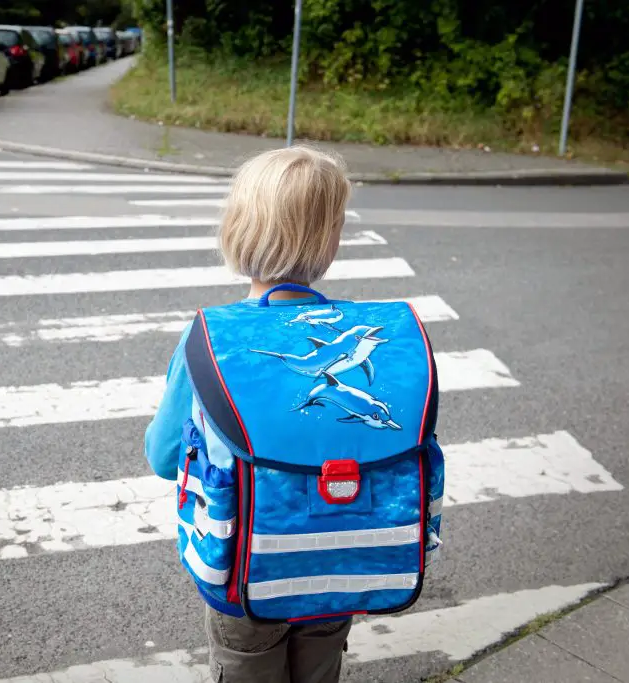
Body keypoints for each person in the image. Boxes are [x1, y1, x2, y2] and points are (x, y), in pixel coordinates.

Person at [144, 146, 443, 683]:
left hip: (247, 568)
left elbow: (165, 457)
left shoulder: (212, 340)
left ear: (237, 229)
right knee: (319, 668)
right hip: (341, 564)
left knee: (247, 668)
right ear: (331, 241)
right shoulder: (386, 335)